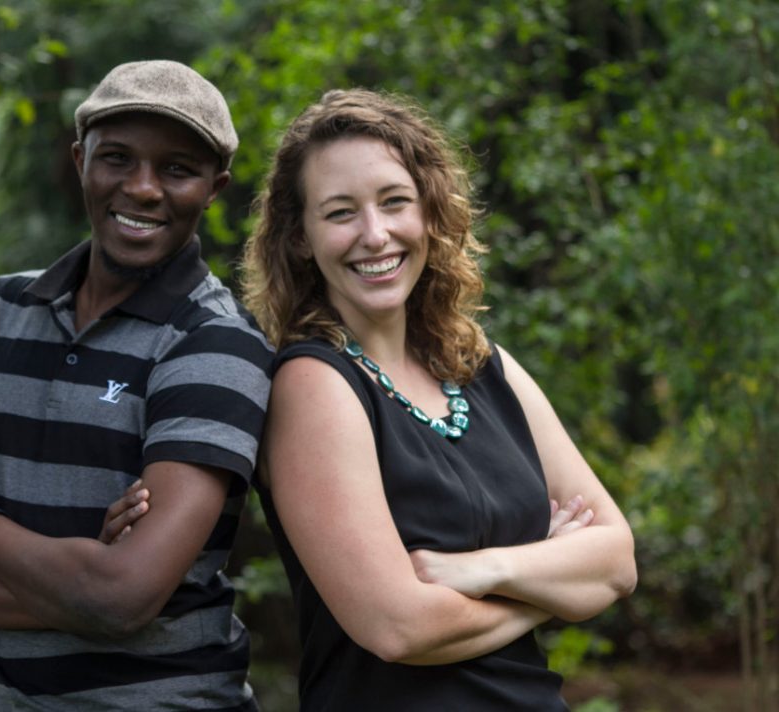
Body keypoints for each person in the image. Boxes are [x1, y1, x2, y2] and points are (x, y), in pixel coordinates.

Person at [0, 60, 273, 710]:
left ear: (214, 187)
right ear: (81, 159)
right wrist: (81, 592)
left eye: (177, 168)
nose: (142, 189)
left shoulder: (216, 342)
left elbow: (121, 598)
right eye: (117, 158)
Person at [239, 89, 637, 710]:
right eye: (341, 213)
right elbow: (397, 628)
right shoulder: (314, 385)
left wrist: (488, 570)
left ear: (429, 213)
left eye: (395, 202)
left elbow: (616, 561)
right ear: (299, 238)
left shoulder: (486, 368)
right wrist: (553, 581)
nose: (376, 235)